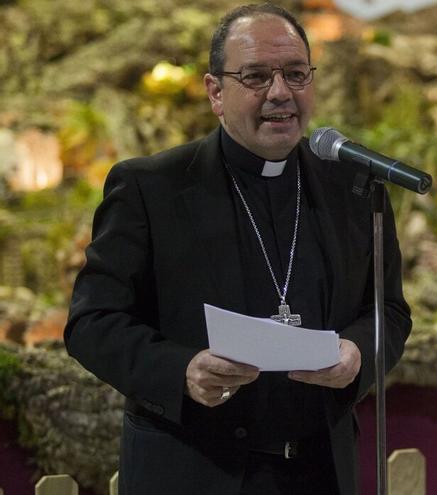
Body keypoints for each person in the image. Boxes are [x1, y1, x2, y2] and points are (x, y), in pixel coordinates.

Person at [64, 4, 412, 494]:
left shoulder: (353, 187)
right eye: (255, 76)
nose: (279, 93)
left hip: (320, 473)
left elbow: (389, 311)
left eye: (295, 74)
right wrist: (181, 371)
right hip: (195, 469)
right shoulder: (151, 188)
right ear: (215, 93)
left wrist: (358, 352)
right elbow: (91, 322)